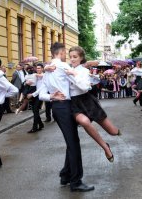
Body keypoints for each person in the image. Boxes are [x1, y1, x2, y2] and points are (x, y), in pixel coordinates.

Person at [39, 42, 94, 192]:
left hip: (57, 107)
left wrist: (51, 96)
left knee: (71, 142)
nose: (68, 57)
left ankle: (65, 175)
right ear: (62, 52)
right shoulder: (63, 67)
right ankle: (76, 182)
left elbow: (40, 94)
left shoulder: (48, 70)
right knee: (74, 143)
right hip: (64, 107)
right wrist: (79, 76)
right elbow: (83, 86)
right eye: (67, 54)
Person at [65, 46, 120, 162]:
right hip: (75, 103)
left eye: (75, 57)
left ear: (81, 58)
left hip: (87, 101)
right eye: (70, 57)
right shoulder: (67, 70)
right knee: (84, 122)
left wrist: (74, 75)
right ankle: (105, 147)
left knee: (113, 132)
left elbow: (85, 87)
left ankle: (116, 132)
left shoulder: (84, 71)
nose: (72, 59)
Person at [26, 64, 45, 133]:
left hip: (40, 95)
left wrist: (32, 94)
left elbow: (41, 88)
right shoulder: (35, 75)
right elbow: (30, 82)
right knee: (34, 111)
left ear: (42, 69)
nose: (38, 69)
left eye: (39, 68)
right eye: (37, 68)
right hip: (34, 95)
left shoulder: (44, 76)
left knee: (35, 110)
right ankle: (40, 124)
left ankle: (35, 127)